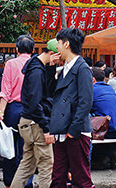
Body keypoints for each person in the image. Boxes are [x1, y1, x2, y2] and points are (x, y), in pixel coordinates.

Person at [10, 39, 58, 188]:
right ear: (52, 53)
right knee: (46, 164)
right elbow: (36, 103)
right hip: (35, 123)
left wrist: (51, 68)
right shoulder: (37, 71)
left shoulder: (36, 67)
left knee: (27, 164)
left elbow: (44, 94)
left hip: (28, 121)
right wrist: (46, 128)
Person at [50, 28, 93, 188]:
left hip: (76, 131)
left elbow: (86, 102)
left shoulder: (82, 69)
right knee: (58, 178)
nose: (57, 48)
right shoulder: (65, 69)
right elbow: (51, 94)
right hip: (62, 130)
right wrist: (50, 69)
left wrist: (73, 131)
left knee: (80, 179)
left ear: (66, 44)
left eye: (59, 43)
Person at [0, 35, 34, 188]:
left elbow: (6, 91)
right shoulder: (37, 64)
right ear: (32, 50)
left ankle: (10, 183)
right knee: (27, 149)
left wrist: (0, 112)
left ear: (16, 49)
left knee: (10, 148)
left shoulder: (10, 64)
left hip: (13, 109)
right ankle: (27, 183)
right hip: (31, 110)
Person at [90, 67, 116, 168]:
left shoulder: (92, 90)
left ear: (92, 79)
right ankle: (107, 156)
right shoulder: (109, 88)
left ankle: (92, 160)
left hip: (108, 131)